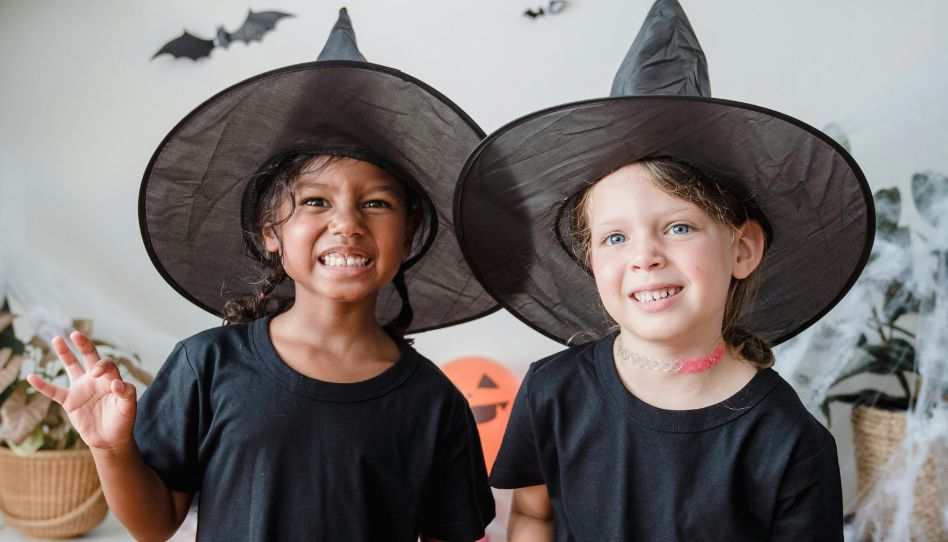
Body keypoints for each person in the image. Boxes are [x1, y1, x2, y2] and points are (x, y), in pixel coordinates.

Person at [28, 9, 496, 541]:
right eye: (316, 201)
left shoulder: (434, 400)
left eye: (377, 204)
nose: (346, 223)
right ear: (270, 230)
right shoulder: (206, 365)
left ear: (409, 231)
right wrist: (111, 449)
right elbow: (154, 525)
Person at [453, 0, 873, 540]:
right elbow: (535, 513)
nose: (644, 256)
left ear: (742, 248)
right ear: (591, 259)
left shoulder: (790, 440)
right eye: (615, 236)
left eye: (678, 227)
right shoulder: (552, 390)